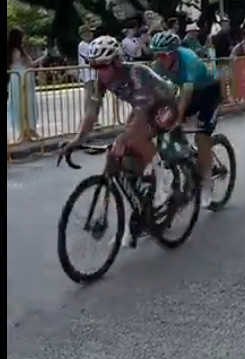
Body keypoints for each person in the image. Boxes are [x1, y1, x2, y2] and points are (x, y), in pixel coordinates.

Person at [63, 36, 178, 245]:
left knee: (133, 138)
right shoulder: (101, 80)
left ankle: (165, 177)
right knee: (118, 158)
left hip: (165, 104)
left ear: (116, 62)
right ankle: (141, 205)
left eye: (103, 66)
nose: (100, 71)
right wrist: (78, 139)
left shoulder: (136, 73)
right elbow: (92, 112)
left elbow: (143, 116)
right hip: (142, 107)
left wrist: (124, 138)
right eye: (94, 66)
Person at [150, 31, 223, 209]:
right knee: (167, 124)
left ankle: (206, 184)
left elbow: (185, 97)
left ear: (174, 52)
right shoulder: (157, 65)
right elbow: (151, 93)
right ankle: (188, 157)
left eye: (164, 55)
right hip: (189, 92)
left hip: (209, 92)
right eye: (157, 54)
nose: (160, 58)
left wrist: (176, 120)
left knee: (202, 137)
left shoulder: (188, 58)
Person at [7, 27, 47, 140]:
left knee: (19, 105)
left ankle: (24, 131)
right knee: (27, 104)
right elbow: (29, 64)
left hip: (16, 79)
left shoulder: (10, 51)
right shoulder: (18, 51)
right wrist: (42, 57)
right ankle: (28, 130)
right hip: (23, 78)